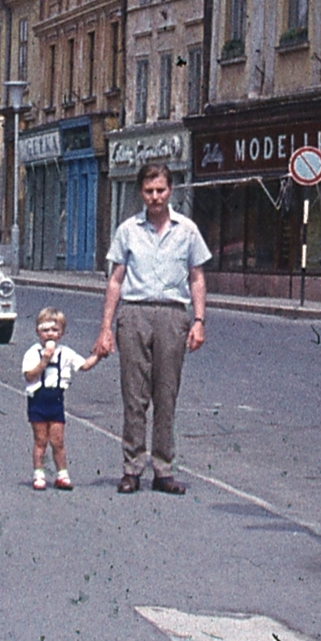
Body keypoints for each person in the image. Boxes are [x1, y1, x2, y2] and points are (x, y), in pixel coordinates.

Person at [94, 162, 211, 495]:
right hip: (134, 314)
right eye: (149, 191)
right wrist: (106, 328)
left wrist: (199, 321)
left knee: (166, 395)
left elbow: (197, 278)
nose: (155, 197)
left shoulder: (186, 230)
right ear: (141, 193)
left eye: (160, 190)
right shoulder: (128, 230)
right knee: (134, 396)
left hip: (173, 315)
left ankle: (163, 470)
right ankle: (132, 469)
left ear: (170, 190)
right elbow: (116, 280)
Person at [21, 307, 100, 491]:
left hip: (56, 401)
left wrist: (98, 355)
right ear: (38, 331)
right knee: (40, 440)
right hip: (38, 401)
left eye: (54, 330)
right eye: (45, 330)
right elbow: (29, 376)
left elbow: (84, 365)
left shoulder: (66, 353)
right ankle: (39, 474)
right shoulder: (33, 353)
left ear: (61, 333)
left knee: (58, 441)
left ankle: (62, 474)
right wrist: (44, 361)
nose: (50, 334)